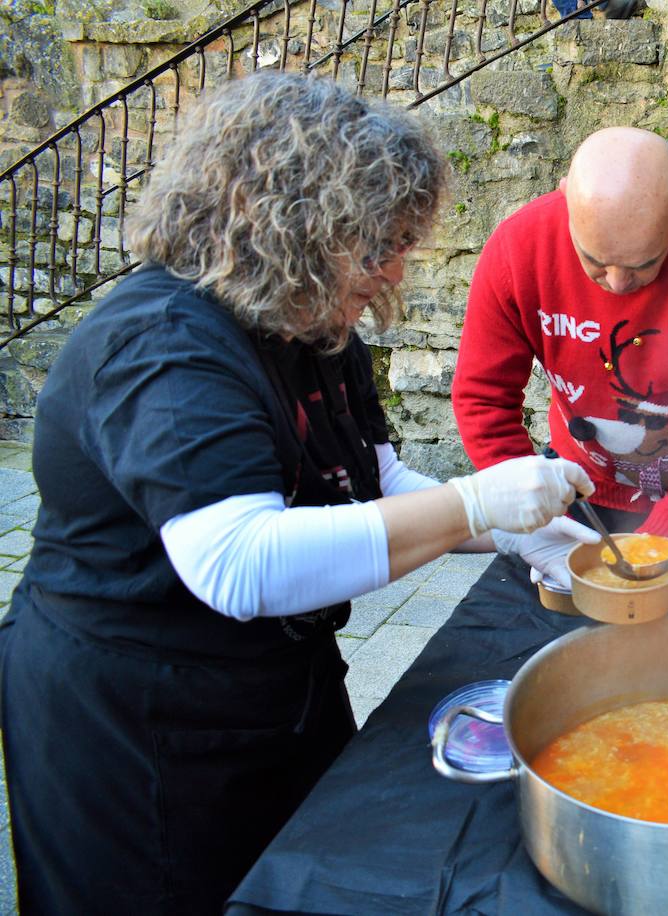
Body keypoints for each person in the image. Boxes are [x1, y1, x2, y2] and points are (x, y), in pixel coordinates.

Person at [0, 72, 596, 915]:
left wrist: (515, 534)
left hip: (274, 690)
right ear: (291, 220)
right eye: (376, 240)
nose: (395, 266)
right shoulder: (161, 346)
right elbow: (242, 566)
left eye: (401, 240)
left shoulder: (311, 323)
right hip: (137, 719)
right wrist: (474, 501)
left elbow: (373, 477)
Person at [451, 126, 668, 568]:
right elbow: (482, 397)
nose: (617, 284)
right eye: (594, 261)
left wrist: (664, 533)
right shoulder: (518, 250)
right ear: (565, 197)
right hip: (575, 493)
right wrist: (529, 506)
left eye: (643, 264)